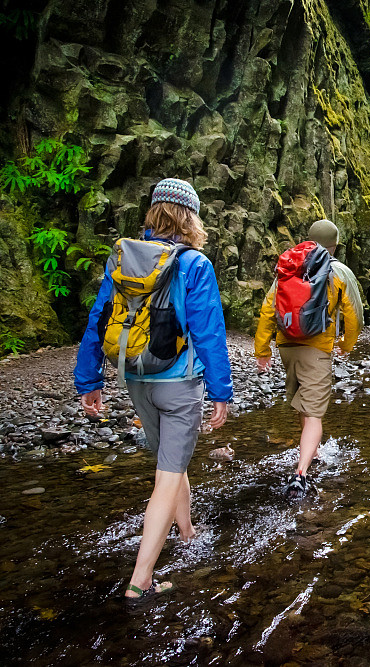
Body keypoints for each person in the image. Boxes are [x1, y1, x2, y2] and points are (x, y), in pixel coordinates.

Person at [73, 178, 233, 601]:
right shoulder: (194, 264)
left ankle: (186, 530)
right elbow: (209, 333)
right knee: (166, 475)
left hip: (136, 378)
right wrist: (221, 391)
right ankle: (140, 580)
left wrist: (89, 380)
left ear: (153, 213)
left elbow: (98, 317)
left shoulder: (123, 257)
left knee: (171, 461)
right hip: (179, 383)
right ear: (190, 217)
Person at [255, 219, 364, 498]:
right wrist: (347, 344)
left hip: (287, 346)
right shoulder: (338, 271)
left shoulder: (290, 268)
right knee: (315, 413)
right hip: (316, 348)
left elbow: (269, 308)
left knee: (304, 403)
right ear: (335, 244)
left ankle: (312, 452)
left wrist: (262, 349)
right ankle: (300, 473)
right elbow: (354, 314)